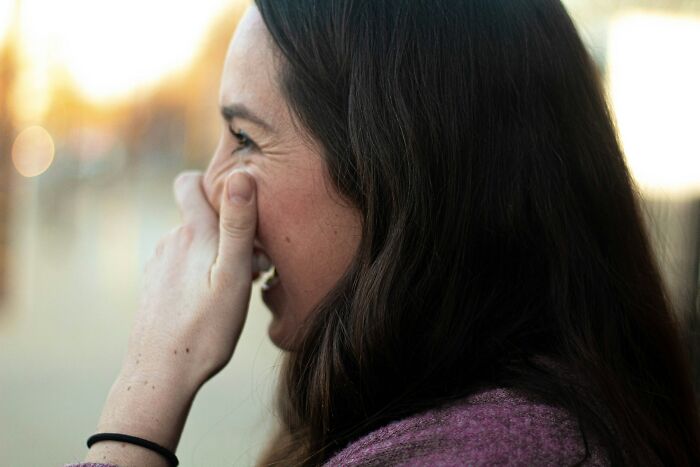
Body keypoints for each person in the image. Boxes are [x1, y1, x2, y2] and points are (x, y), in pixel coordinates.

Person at [66, 0, 700, 466]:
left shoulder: (476, 454)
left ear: (392, 173)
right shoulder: (491, 420)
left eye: (244, 139)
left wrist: (140, 406)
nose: (209, 187)